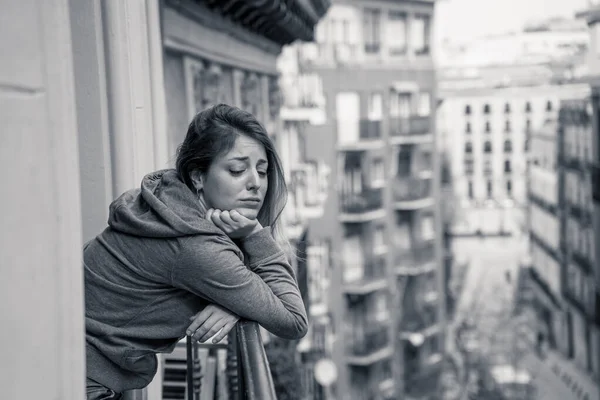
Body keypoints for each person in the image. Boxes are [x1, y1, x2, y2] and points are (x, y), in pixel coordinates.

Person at [84, 104, 308, 399]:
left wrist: (236, 302)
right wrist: (255, 236)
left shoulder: (166, 204)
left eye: (262, 171)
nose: (255, 183)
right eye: (237, 170)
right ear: (198, 176)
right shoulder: (195, 244)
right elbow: (294, 320)